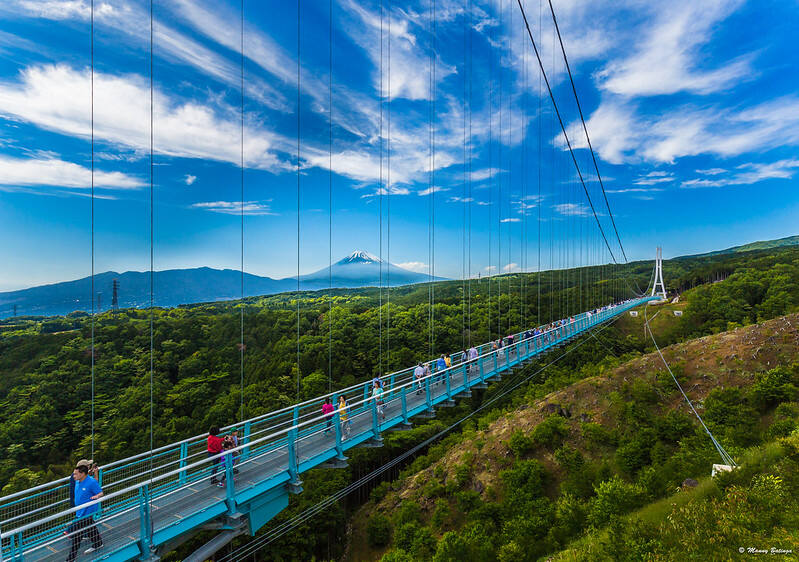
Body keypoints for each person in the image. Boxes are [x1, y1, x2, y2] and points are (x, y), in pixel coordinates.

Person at [65, 464, 103, 561]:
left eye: (75, 474)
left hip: (86, 512)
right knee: (90, 527)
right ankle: (98, 543)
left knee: (77, 536)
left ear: (82, 474)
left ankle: (70, 559)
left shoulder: (91, 482)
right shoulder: (78, 481)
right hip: (79, 512)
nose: (73, 476)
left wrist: (97, 496)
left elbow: (100, 491)